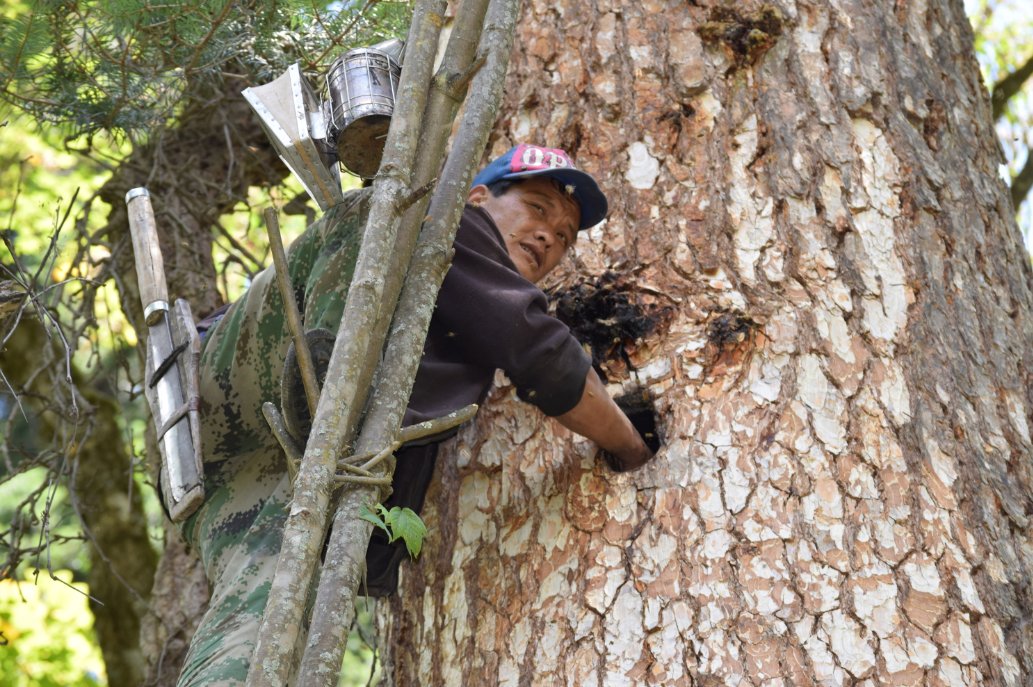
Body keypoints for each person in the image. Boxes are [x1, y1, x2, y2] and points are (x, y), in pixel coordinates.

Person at [175, 144, 656, 686]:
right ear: (478, 198)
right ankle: (334, 393)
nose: (550, 236)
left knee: (266, 632)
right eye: (538, 208)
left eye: (566, 236)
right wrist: (634, 448)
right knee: (380, 211)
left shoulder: (462, 322)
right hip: (235, 386)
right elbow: (544, 357)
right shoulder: (450, 226)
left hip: (256, 479)